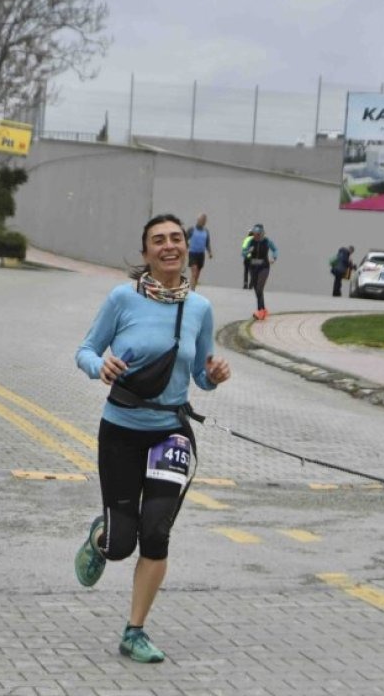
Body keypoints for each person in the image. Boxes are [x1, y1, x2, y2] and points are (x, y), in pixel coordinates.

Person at [73, 213, 231, 664]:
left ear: (187, 247)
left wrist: (214, 375)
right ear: (145, 253)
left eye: (176, 239)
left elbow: (201, 373)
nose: (169, 246)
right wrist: (96, 366)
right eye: (158, 240)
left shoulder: (198, 308)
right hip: (121, 429)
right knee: (123, 543)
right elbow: (85, 349)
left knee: (156, 533)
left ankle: (134, 630)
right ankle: (102, 537)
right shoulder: (122, 298)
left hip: (171, 434)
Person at [243, 224, 277, 320]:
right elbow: (243, 253)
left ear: (261, 234)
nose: (256, 236)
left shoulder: (267, 241)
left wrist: (274, 258)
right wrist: (248, 251)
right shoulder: (251, 241)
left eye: (258, 234)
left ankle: (260, 311)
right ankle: (263, 310)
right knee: (257, 290)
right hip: (253, 267)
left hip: (264, 267)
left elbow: (275, 249)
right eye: (254, 234)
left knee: (259, 288)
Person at [185, 213, 212, 290]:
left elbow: (207, 243)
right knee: (194, 271)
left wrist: (209, 252)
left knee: (197, 274)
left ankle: (193, 288)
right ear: (198, 220)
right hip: (193, 253)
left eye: (204, 221)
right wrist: (186, 246)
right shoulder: (192, 229)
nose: (203, 222)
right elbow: (184, 238)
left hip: (201, 254)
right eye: (202, 220)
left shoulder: (206, 231)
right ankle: (191, 291)